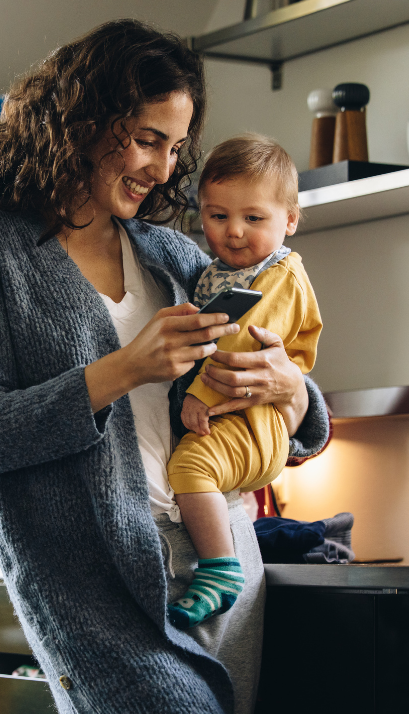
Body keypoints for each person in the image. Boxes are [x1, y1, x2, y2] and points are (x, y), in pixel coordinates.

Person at [0, 20, 330, 714]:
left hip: (223, 553)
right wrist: (126, 368)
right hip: (96, 584)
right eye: (145, 140)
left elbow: (300, 423)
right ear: (79, 120)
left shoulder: (170, 255)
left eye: (175, 148)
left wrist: (291, 388)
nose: (164, 169)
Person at [167, 135, 322, 629]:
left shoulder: (279, 275)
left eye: (253, 219)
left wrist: (198, 397)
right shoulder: (217, 271)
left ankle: (219, 568)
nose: (233, 232)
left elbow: (242, 346)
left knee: (190, 469)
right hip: (247, 417)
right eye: (217, 216)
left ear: (289, 220)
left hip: (250, 417)